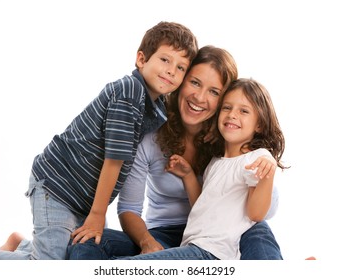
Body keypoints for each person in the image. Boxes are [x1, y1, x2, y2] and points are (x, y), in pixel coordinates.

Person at [0, 21, 198, 260]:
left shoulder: (156, 105)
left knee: (74, 253)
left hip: (83, 196)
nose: (172, 70)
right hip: (59, 187)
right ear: (141, 59)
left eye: (181, 67)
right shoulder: (130, 93)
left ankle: (20, 246)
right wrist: (98, 215)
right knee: (50, 266)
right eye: (165, 60)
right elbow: (114, 159)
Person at [67, 48, 282, 260]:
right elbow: (129, 208)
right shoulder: (151, 137)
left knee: (257, 230)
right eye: (195, 83)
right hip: (164, 234)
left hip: (220, 238)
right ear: (180, 82)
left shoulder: (232, 142)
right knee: (85, 242)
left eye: (214, 92)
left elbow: (261, 212)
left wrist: (264, 170)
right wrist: (146, 241)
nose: (199, 97)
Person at [117, 77, 287, 260]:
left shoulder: (257, 158)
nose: (232, 115)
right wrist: (188, 175)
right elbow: (203, 206)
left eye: (244, 111)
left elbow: (256, 214)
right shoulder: (216, 161)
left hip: (213, 252)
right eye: (227, 107)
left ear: (259, 124)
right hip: (194, 246)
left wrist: (267, 176)